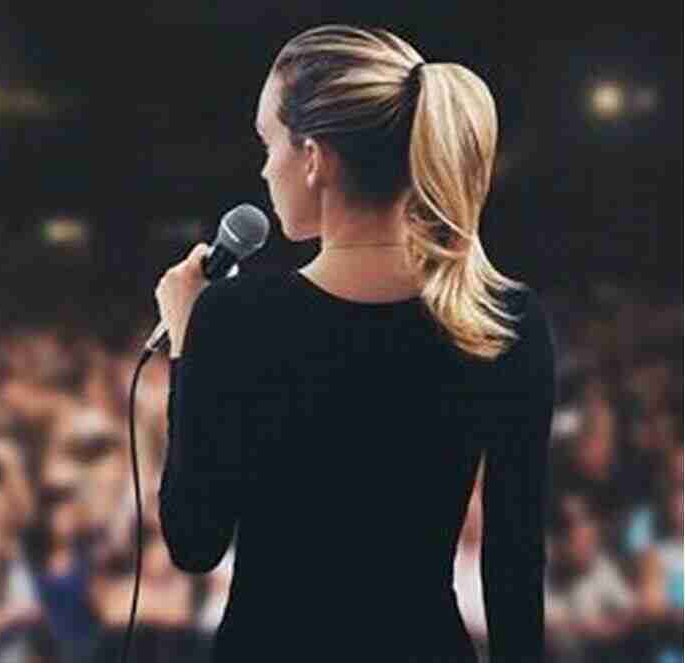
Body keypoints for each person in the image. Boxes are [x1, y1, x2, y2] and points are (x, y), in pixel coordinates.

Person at [153, 24, 556, 661]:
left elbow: (193, 541)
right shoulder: (505, 319)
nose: (264, 167)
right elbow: (515, 563)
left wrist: (186, 342)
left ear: (313, 158)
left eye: (270, 143)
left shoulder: (237, 316)